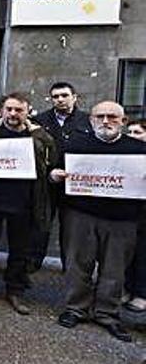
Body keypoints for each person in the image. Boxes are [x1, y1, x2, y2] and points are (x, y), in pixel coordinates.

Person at [50, 102, 146, 342]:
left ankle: (107, 313)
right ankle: (76, 308)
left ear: (123, 122)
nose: (106, 121)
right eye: (100, 116)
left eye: (112, 117)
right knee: (77, 264)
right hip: (80, 215)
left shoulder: (140, 150)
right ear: (91, 120)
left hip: (123, 220)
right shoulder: (74, 145)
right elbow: (55, 171)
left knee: (114, 270)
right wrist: (54, 176)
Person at [0, 93, 56, 316]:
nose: (13, 114)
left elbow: (49, 157)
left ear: (28, 112)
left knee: (20, 249)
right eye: (9, 109)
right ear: (1, 111)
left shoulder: (38, 135)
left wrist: (35, 131)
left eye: (19, 110)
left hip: (25, 202)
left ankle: (15, 290)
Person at [30, 82, 92, 273]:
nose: (60, 100)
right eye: (55, 96)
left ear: (74, 97)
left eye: (64, 95)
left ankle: (70, 267)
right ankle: (32, 264)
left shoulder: (88, 120)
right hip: (46, 182)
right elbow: (32, 152)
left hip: (76, 185)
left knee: (72, 229)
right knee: (41, 224)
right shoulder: (39, 120)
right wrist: (48, 173)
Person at [124, 118, 146, 314]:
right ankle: (127, 288)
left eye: (137, 132)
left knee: (143, 255)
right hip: (129, 213)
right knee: (127, 253)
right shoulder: (126, 153)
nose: (132, 137)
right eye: (129, 132)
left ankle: (141, 294)